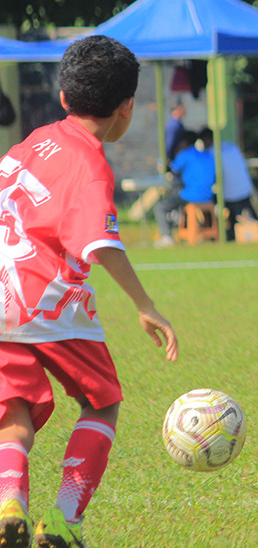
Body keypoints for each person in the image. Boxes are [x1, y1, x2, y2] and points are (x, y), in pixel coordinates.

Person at [0, 35, 178, 548]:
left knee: (12, 411)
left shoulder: (34, 140)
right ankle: (62, 520)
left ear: (63, 98)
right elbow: (99, 242)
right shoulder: (90, 162)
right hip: (46, 298)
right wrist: (145, 305)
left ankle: (11, 500)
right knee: (102, 402)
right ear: (126, 109)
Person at [153, 128, 215, 246]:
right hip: (208, 196)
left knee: (160, 206)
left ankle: (167, 237)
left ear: (183, 142)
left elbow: (172, 171)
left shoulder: (185, 154)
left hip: (191, 195)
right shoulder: (206, 154)